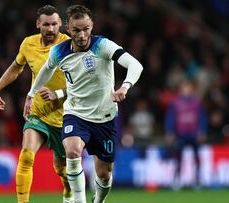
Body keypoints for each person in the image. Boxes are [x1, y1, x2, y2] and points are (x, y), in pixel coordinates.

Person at [25, 5, 143, 203]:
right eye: (77, 30)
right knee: (72, 151)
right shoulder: (59, 52)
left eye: (86, 29)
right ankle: (79, 200)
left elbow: (135, 64)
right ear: (68, 30)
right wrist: (31, 94)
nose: (81, 34)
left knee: (104, 174)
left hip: (104, 117)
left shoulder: (103, 46)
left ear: (92, 26)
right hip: (75, 114)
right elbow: (45, 70)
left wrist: (125, 87)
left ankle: (98, 200)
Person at [0, 5, 73, 203]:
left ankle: (68, 188)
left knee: (62, 167)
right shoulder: (28, 44)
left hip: (66, 114)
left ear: (61, 24)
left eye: (54, 24)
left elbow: (82, 84)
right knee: (26, 156)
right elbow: (16, 68)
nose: (51, 29)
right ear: (38, 24)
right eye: (46, 24)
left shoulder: (70, 45)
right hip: (38, 113)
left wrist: (58, 94)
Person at [164, 79, 207, 190]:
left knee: (196, 158)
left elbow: (202, 118)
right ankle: (176, 180)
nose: (186, 90)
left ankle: (197, 180)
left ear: (191, 89)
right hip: (181, 134)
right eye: (184, 87)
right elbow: (170, 118)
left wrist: (201, 131)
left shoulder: (196, 102)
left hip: (194, 134)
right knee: (178, 158)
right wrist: (169, 132)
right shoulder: (176, 103)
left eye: (188, 87)